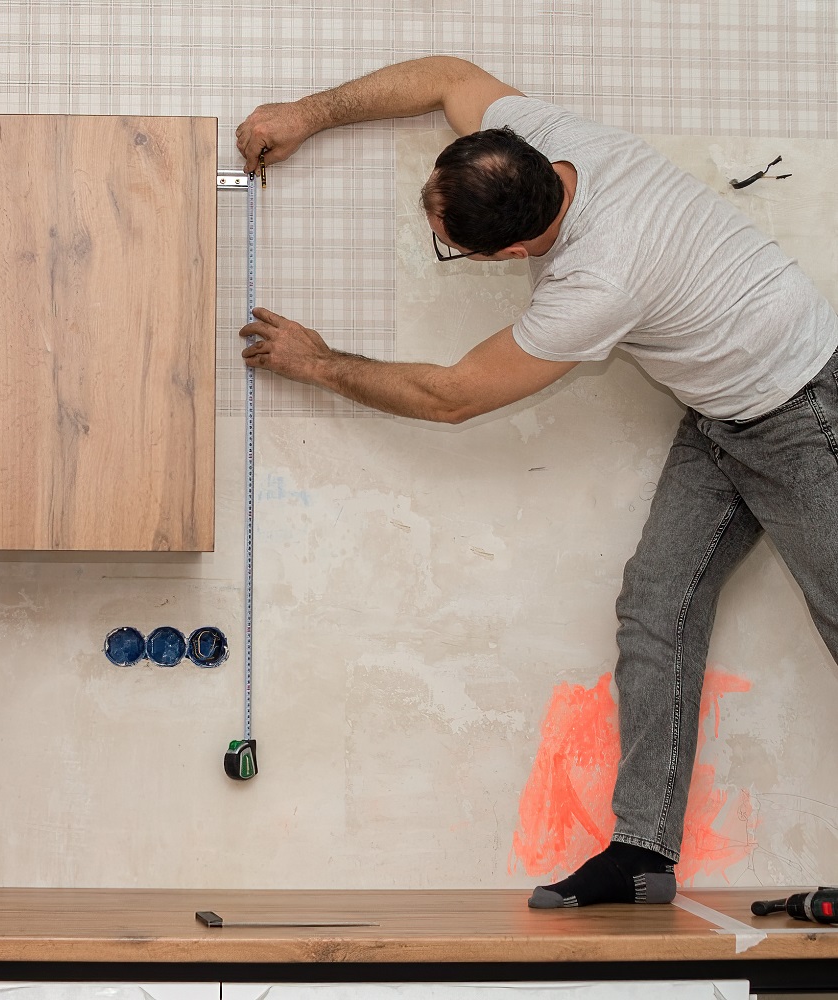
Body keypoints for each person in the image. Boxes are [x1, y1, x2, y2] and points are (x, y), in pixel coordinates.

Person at [236, 56, 838, 908]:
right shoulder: (552, 139)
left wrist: (323, 363)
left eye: (452, 244)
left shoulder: (595, 283)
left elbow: (451, 398)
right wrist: (307, 113)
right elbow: (446, 75)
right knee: (657, 606)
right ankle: (641, 855)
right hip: (724, 407)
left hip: (806, 411)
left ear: (515, 250)